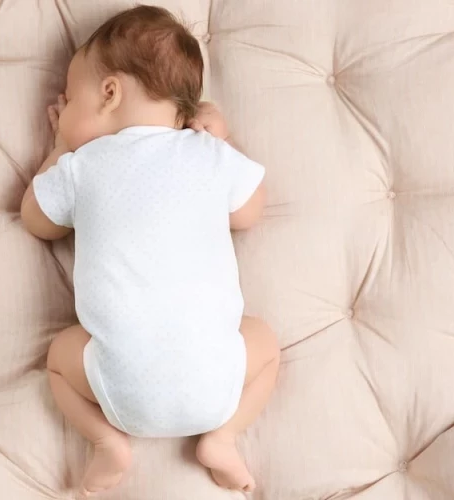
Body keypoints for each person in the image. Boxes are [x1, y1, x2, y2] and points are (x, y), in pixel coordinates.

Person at [20, 5, 280, 497]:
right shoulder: (207, 152)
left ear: (109, 93)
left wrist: (58, 148)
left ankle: (106, 443)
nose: (63, 109)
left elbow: (36, 219)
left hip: (122, 394)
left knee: (58, 358)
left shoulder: (82, 164)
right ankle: (223, 438)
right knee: (265, 344)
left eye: (70, 98)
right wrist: (222, 137)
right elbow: (250, 211)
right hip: (216, 386)